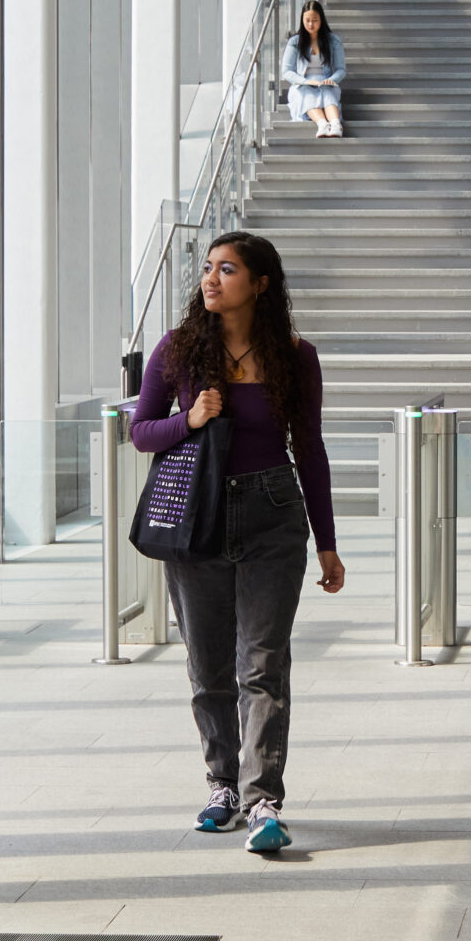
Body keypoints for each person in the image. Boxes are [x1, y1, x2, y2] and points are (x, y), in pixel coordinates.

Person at [130, 231, 344, 854]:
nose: (211, 279)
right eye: (207, 268)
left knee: (265, 662)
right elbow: (142, 433)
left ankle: (263, 801)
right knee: (209, 664)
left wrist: (327, 541)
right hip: (197, 516)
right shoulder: (176, 350)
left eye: (227, 269)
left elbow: (310, 449)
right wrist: (189, 419)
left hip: (273, 515)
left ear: (261, 284)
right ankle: (222, 785)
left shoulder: (295, 357)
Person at [281, 0, 346, 138]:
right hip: (302, 83)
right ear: (302, 20)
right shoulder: (294, 42)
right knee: (307, 93)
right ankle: (322, 124)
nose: (311, 24)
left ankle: (335, 125)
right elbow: (286, 71)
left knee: (328, 93)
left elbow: (341, 69)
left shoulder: (333, 40)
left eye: (315, 20)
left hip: (325, 81)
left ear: (321, 20)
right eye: (307, 20)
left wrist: (331, 80)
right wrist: (304, 81)